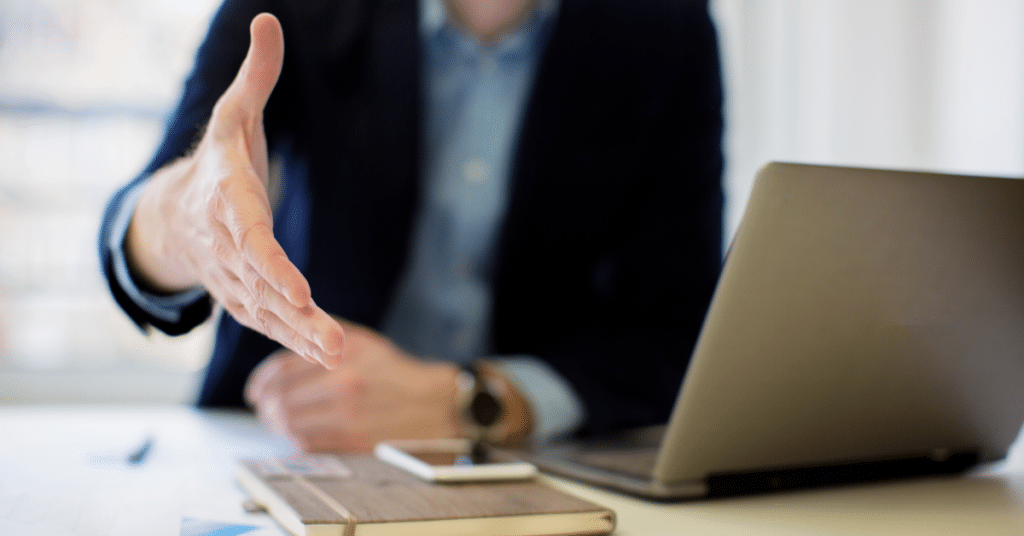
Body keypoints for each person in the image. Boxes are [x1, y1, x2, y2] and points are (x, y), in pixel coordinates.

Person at [98, 0, 724, 452]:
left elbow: (676, 332)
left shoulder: (668, 26)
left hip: (532, 463)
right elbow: (134, 234)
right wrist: (185, 219)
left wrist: (476, 401)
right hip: (285, 440)